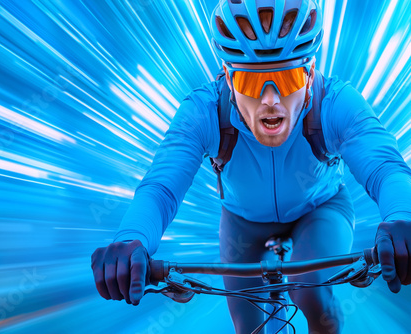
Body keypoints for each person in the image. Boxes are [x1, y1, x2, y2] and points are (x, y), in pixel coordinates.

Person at [91, 1, 411, 333]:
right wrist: (132, 239)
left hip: (320, 210)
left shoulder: (335, 103)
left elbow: (385, 168)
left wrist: (403, 216)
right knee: (247, 324)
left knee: (310, 292)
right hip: (242, 222)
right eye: (250, 83)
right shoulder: (205, 111)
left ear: (310, 75)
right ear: (228, 79)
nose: (270, 100)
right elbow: (162, 187)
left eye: (287, 80)